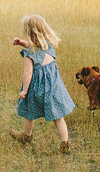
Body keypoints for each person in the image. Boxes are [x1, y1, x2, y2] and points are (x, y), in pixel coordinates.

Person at [10, 14, 76, 154]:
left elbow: (28, 73)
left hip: (37, 89)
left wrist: (24, 91)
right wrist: (22, 42)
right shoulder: (49, 45)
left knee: (29, 112)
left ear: (29, 33)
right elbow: (37, 47)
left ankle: (26, 137)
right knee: (58, 117)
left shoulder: (29, 53)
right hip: (54, 88)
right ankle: (65, 144)